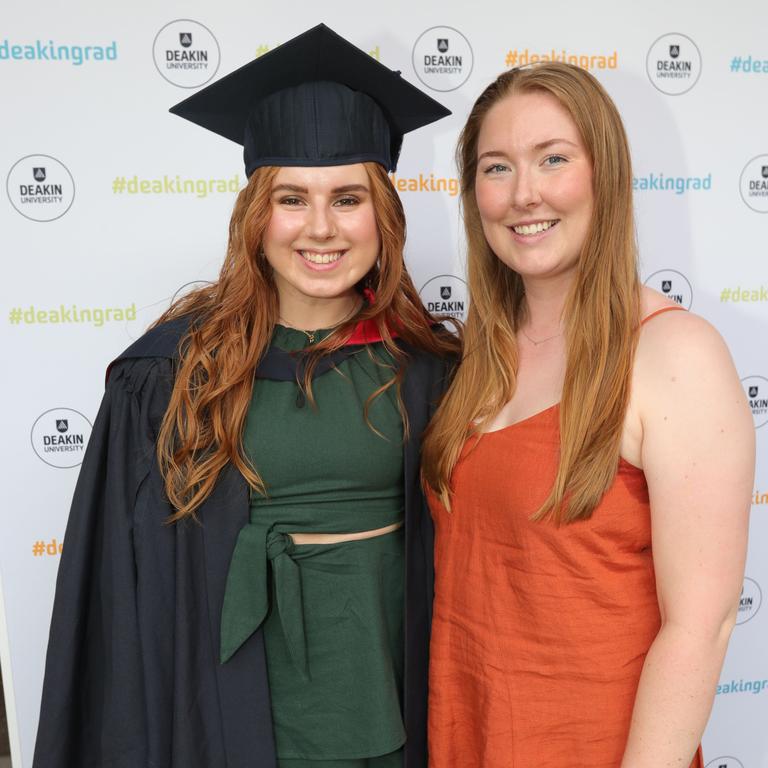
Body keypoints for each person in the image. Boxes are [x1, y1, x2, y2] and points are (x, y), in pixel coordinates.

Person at [33, 24, 459, 768]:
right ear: (256, 217)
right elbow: (121, 594)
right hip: (229, 714)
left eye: (348, 198)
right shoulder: (170, 375)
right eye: (292, 198)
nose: (320, 228)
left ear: (383, 217)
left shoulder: (428, 371)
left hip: (394, 695)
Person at [421, 62, 754, 768]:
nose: (524, 194)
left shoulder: (674, 354)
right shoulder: (477, 356)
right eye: (496, 167)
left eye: (553, 159)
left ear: (606, 174)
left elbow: (703, 626)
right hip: (470, 737)